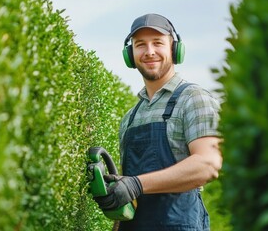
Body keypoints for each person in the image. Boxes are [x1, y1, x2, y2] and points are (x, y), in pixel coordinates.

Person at [94, 13, 223, 231]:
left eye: (158, 43)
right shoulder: (130, 117)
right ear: (130, 54)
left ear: (174, 49)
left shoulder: (193, 98)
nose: (149, 51)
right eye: (140, 45)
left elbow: (208, 165)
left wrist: (137, 184)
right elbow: (130, 195)